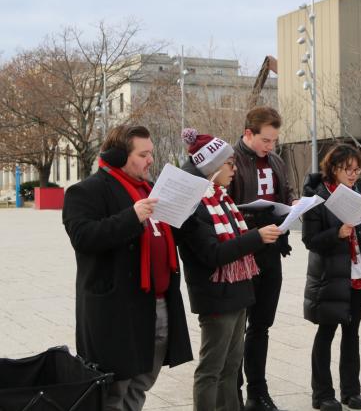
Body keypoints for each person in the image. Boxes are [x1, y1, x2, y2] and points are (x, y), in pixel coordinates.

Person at [62, 124, 192, 411]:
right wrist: (131, 216)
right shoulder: (85, 191)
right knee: (114, 389)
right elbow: (84, 237)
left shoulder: (152, 190)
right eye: (143, 154)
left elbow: (169, 236)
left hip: (157, 304)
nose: (150, 160)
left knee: (142, 382)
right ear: (120, 156)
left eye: (151, 154)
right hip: (116, 310)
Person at [177, 129, 283, 411]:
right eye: (230, 164)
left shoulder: (220, 199)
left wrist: (263, 232)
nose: (234, 170)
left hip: (237, 292)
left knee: (231, 366)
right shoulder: (197, 203)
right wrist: (256, 237)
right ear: (211, 166)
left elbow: (235, 242)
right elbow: (212, 253)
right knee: (212, 368)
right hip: (215, 295)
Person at [302, 144, 361, 411]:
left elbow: (360, 238)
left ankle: (351, 392)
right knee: (326, 333)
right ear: (333, 168)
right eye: (348, 169)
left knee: (352, 334)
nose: (353, 174)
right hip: (329, 277)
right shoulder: (317, 197)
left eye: (357, 170)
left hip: (356, 274)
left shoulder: (356, 193)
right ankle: (322, 394)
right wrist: (337, 233)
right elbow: (310, 240)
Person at [228, 106, 296, 411]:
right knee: (236, 328)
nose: (270, 146)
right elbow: (223, 203)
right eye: (265, 140)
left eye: (274, 141)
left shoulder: (277, 161)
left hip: (271, 251)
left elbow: (287, 192)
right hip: (242, 251)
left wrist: (293, 204)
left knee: (261, 326)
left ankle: (258, 391)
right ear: (248, 134)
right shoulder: (231, 161)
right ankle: (235, 393)